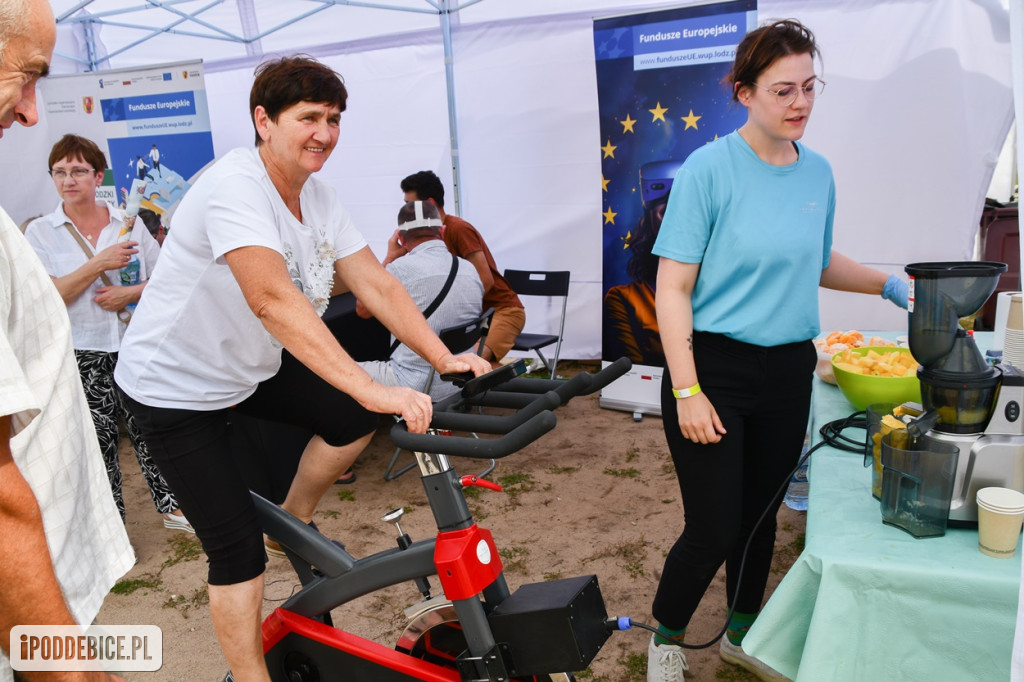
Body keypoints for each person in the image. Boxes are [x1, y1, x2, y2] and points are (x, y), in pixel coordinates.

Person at [113, 56, 490, 681]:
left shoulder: (319, 195)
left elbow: (376, 283)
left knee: (349, 417)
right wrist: (374, 384)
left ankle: (293, 521)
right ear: (264, 121)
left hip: (246, 368)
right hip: (172, 389)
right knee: (236, 556)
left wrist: (441, 356)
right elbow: (272, 299)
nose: (325, 133)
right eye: (308, 118)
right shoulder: (234, 186)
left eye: (334, 119)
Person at [646, 20, 908, 682]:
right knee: (713, 525)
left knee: (761, 517)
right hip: (713, 369)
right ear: (743, 93)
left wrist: (886, 283)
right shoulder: (707, 169)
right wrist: (686, 389)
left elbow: (816, 261)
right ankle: (666, 639)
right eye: (783, 90)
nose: (800, 103)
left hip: (789, 369)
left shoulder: (816, 173)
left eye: (810, 88)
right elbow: (672, 287)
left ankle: (741, 633)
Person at [0, 1, 134, 680]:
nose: (29, 111)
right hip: (24, 601)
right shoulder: (38, 230)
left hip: (40, 588)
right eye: (25, 76)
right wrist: (64, 663)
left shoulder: (124, 221)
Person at [24, 134, 191, 532]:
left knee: (152, 431)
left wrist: (127, 293)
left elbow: (168, 280)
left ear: (97, 175)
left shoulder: (127, 223)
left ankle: (173, 509)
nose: (69, 179)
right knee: (98, 446)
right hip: (81, 351)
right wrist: (98, 263)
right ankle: (111, 529)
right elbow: (50, 296)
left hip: (135, 346)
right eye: (60, 172)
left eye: (79, 170)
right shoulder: (40, 233)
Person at [356, 200, 484, 401]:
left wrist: (390, 257)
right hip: (463, 380)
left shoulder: (397, 269)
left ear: (400, 238)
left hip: (416, 384)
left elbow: (362, 310)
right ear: (441, 231)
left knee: (340, 371)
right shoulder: (469, 269)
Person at [400, 170, 525, 367]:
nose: (406, 209)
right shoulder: (424, 236)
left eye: (410, 204)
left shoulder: (458, 229)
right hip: (472, 316)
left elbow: (486, 280)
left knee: (467, 363)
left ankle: (523, 393)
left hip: (501, 311)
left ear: (430, 204)